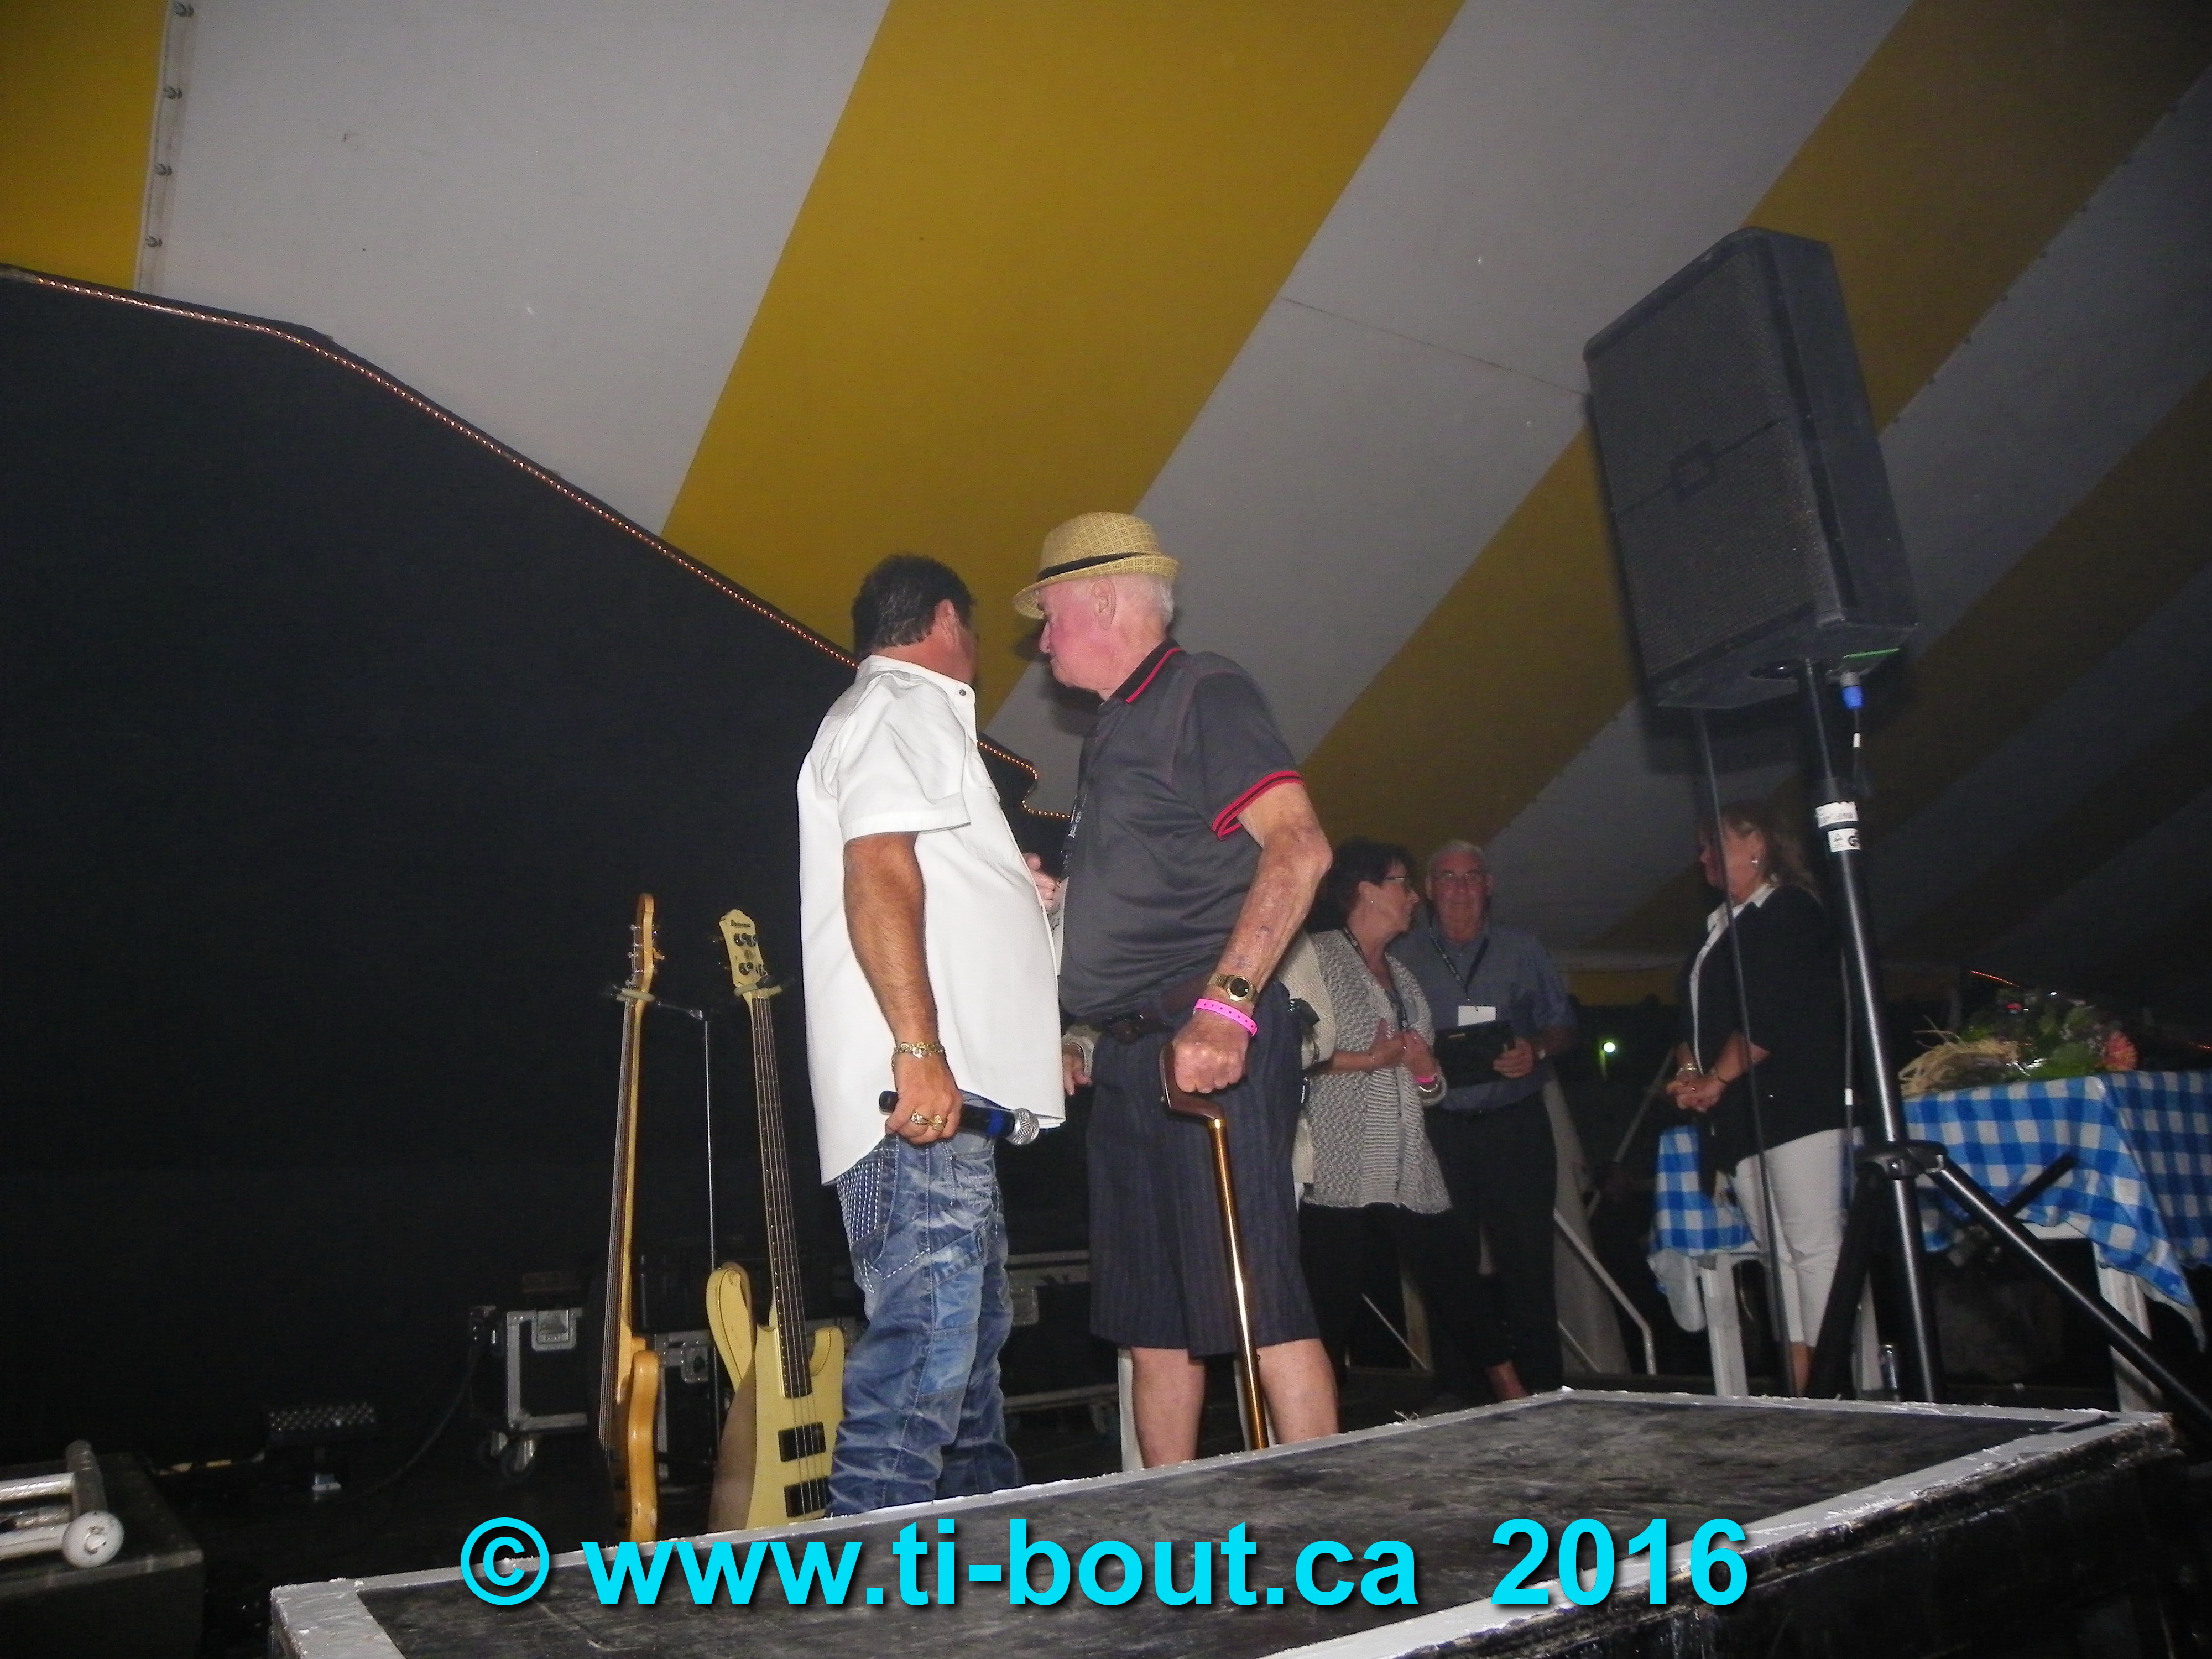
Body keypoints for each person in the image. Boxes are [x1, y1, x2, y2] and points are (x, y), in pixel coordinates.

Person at [1021, 510, 1336, 1465]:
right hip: (1131, 1057)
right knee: (1150, 1324)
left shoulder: (1206, 691)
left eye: (1050, 617)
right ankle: (1173, 1534)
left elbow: (1300, 845)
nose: (1042, 642)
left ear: (1104, 600)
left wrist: (1227, 1007)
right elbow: (1155, 891)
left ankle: (1333, 1525)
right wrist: (1063, 908)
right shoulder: (1114, 729)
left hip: (1205, 1040)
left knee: (1256, 1302)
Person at [796, 554, 1065, 1515]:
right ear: (948, 620)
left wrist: (1015, 896)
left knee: (965, 1361)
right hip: (921, 1100)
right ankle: (868, 1576)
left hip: (950, 1105)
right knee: (926, 1358)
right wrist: (918, 1051)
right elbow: (877, 867)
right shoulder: (902, 703)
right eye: (978, 627)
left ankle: (983, 1563)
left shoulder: (895, 716)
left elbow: (915, 875)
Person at [1297, 838, 1528, 1405]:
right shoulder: (1315, 956)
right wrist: (1368, 1060)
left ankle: (1515, 1394)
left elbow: (1431, 1089)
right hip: (1339, 1162)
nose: (1413, 897)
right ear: (1366, 890)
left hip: (1408, 1160)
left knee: (1455, 1279)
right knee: (1329, 1303)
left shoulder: (1402, 974)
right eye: (1403, 883)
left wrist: (1426, 1072)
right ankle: (1312, 1426)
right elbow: (1292, 1053)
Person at [1665, 800, 1846, 1394]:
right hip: (1742, 1115)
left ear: (1757, 843)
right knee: (1778, 1255)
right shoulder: (1719, 925)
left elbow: (1773, 1012)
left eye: (1713, 844)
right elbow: (1694, 1020)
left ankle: (1830, 1383)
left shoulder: (1790, 911)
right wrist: (1691, 1072)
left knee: (1812, 1247)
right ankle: (1803, 1385)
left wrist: (1716, 1079)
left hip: (1793, 1105)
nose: (1703, 859)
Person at [1390, 841, 1575, 1393]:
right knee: (1449, 1263)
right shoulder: (1401, 956)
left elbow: (1564, 1024)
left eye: (1472, 877)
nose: (1461, 888)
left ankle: (1543, 1390)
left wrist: (1535, 1049)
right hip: (1439, 1129)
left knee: (1528, 1262)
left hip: (1514, 1125)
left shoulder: (1523, 949)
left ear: (1489, 885)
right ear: (1429, 890)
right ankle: (1459, 1392)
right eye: (1448, 878)